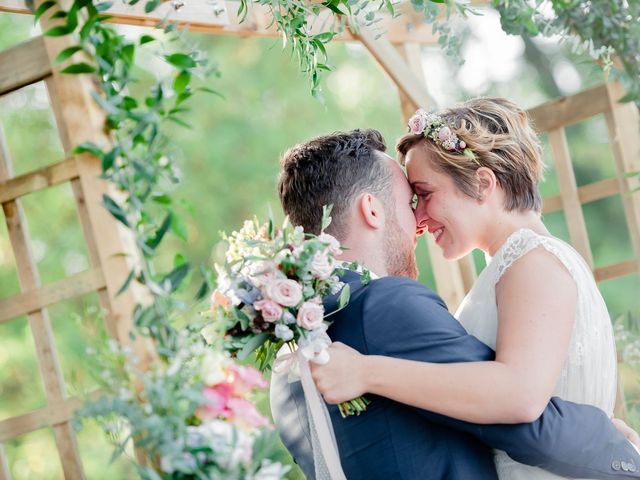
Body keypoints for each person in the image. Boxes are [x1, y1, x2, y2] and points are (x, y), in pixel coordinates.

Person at [270, 128, 640, 480]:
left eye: (423, 197)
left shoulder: (289, 351)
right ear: (372, 209)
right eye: (409, 200)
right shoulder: (385, 306)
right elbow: (521, 417)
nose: (418, 221)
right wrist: (617, 446)